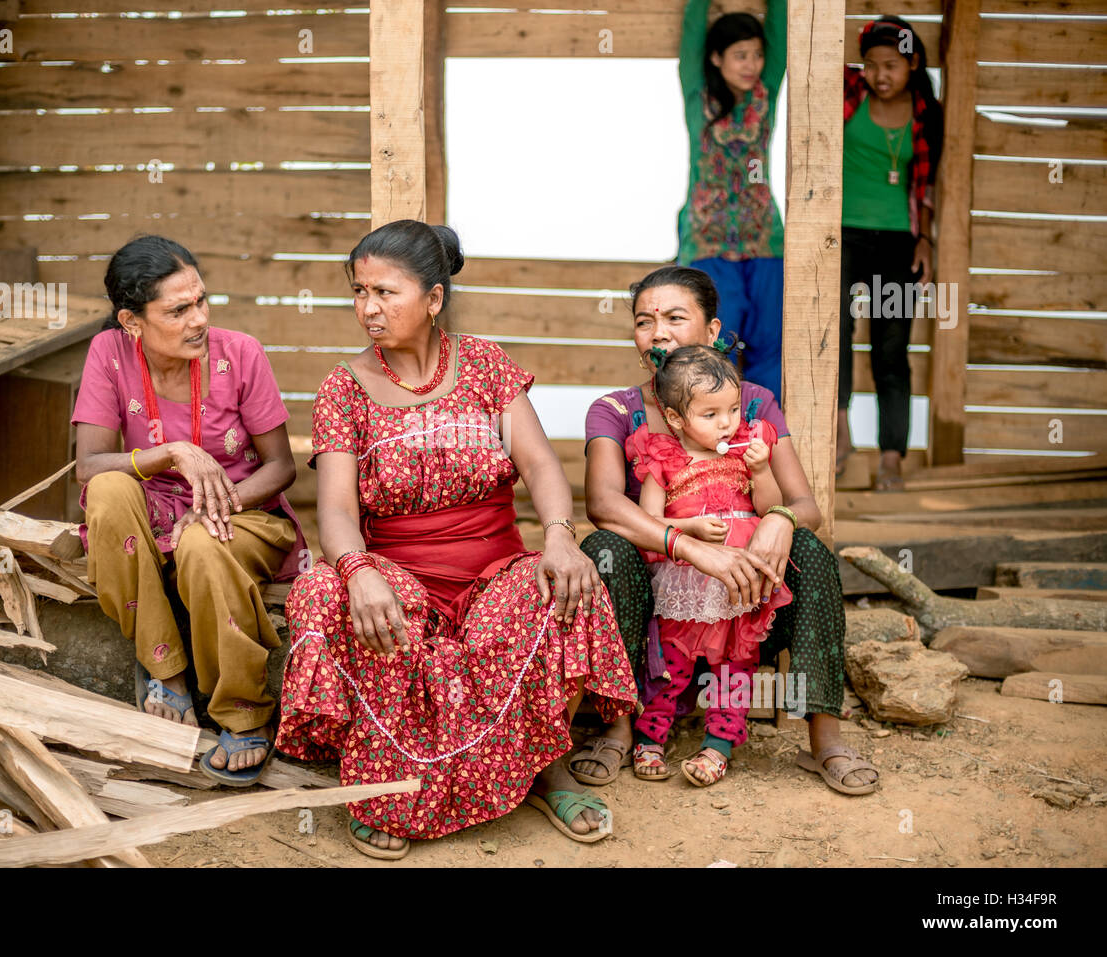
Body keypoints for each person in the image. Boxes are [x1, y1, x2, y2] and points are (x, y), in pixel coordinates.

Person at [276, 220, 637, 860]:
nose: (368, 309)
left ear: (434, 299)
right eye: (359, 292)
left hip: (491, 570)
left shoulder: (486, 365)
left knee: (558, 581)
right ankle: (385, 783)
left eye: (386, 292)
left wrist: (559, 534)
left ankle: (540, 770)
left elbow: (542, 466)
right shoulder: (343, 388)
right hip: (397, 578)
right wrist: (358, 570)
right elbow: (333, 508)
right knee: (320, 588)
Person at [569, 265, 880, 796]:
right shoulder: (617, 410)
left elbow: (804, 503)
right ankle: (618, 726)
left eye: (674, 317)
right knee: (604, 550)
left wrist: (780, 521)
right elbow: (602, 504)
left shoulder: (752, 404)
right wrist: (688, 545)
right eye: (645, 321)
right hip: (655, 594)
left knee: (811, 549)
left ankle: (825, 736)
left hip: (747, 594)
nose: (658, 332)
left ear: (712, 331)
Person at [72, 235, 304, 786]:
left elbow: (281, 468)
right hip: (149, 514)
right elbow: (88, 466)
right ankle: (166, 669)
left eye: (201, 300)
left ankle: (243, 713)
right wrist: (174, 452)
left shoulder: (240, 352)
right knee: (106, 492)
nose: (198, 318)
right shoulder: (109, 354)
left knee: (203, 544)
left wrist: (214, 505)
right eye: (178, 310)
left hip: (240, 513)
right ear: (132, 322)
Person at [627, 344, 793, 785]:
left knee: (736, 664)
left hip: (741, 578)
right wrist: (693, 529)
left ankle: (718, 747)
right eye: (711, 413)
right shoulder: (662, 457)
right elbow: (648, 523)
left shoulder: (747, 449)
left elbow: (772, 509)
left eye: (733, 408)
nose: (727, 422)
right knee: (669, 665)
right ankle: (650, 737)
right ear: (677, 419)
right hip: (686, 578)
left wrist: (762, 473)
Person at [836, 16, 944, 490]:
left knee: (891, 348)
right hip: (838, 236)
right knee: (832, 333)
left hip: (899, 242)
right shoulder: (845, 92)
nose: (880, 75)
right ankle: (839, 433)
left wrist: (927, 239)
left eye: (892, 66)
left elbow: (931, 185)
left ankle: (892, 458)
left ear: (913, 63)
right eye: (872, 65)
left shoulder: (926, 112)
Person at [676, 0, 787, 397]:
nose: (752, 64)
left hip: (765, 242)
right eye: (740, 55)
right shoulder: (697, 95)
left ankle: (765, 438)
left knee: (771, 345)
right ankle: (713, 445)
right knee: (716, 348)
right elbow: (692, 31)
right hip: (709, 242)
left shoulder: (765, 95)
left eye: (757, 55)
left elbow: (780, 30)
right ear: (717, 58)